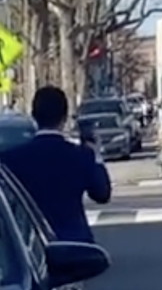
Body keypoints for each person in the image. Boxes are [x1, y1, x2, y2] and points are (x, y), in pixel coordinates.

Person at [1, 86, 111, 243]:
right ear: (64, 118)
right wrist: (97, 155)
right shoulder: (80, 155)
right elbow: (102, 194)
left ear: (34, 116)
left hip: (32, 244)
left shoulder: (11, 160)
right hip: (75, 244)